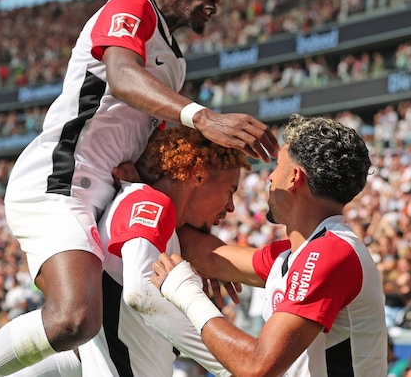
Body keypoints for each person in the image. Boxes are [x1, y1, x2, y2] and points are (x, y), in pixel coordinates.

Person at [0, 0, 278, 377]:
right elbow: (121, 77)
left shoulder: (175, 65)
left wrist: (192, 244)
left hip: (105, 193)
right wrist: (202, 117)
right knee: (74, 319)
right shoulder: (131, 7)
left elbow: (154, 150)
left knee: (86, 343)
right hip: (61, 177)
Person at [149, 114, 387, 376]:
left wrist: (185, 292)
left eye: (277, 165)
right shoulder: (298, 253)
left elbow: (256, 366)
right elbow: (205, 254)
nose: (270, 177)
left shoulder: (330, 252)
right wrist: (141, 187)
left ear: (294, 177)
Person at [77, 125, 248, 376]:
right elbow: (140, 292)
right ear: (198, 175)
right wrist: (232, 362)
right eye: (230, 191)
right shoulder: (150, 201)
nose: (231, 206)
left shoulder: (155, 214)